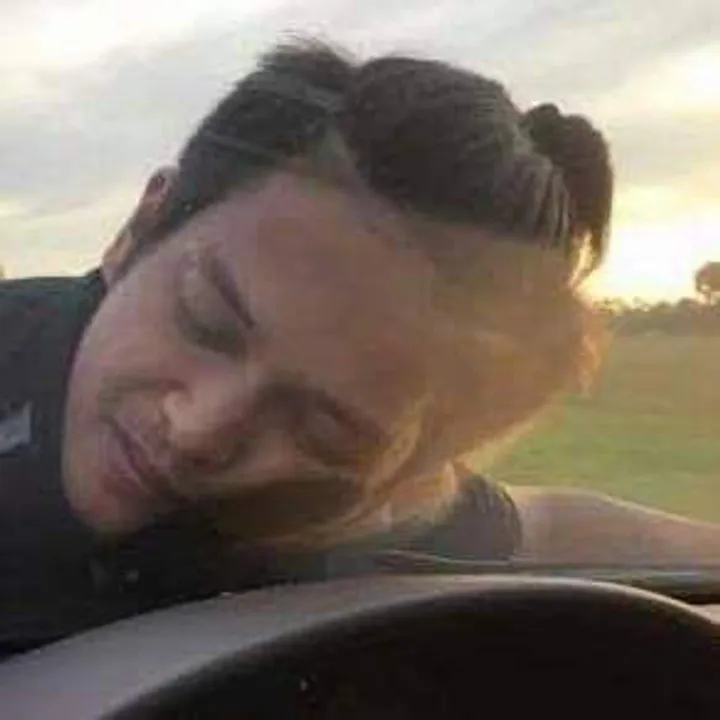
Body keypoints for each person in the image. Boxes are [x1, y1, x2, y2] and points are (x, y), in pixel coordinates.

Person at [1, 40, 718, 657]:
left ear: (405, 468)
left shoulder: (352, 515)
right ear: (139, 226)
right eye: (204, 322)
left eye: (322, 428)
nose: (199, 431)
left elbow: (543, 526)